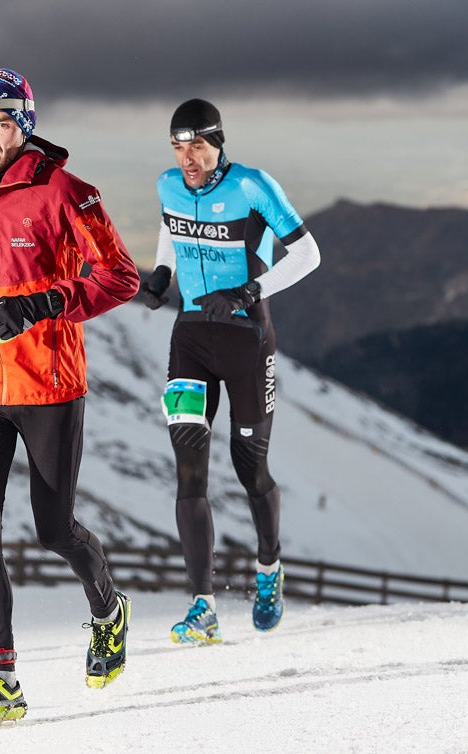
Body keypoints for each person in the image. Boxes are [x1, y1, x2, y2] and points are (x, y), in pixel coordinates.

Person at [0, 68, 140, 726]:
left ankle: (108, 608)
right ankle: (1, 680)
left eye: (4, 124)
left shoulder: (67, 193)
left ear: (26, 126)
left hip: (48, 386)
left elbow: (121, 277)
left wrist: (45, 304)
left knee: (53, 530)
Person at [135, 98, 321, 643]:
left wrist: (248, 292)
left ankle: (269, 568)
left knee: (249, 469)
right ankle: (202, 606)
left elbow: (308, 254)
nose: (187, 157)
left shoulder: (252, 186)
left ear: (218, 142)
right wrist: (163, 274)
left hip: (247, 339)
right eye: (178, 145)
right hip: (190, 337)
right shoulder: (168, 184)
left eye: (197, 145)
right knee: (189, 470)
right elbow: (171, 229)